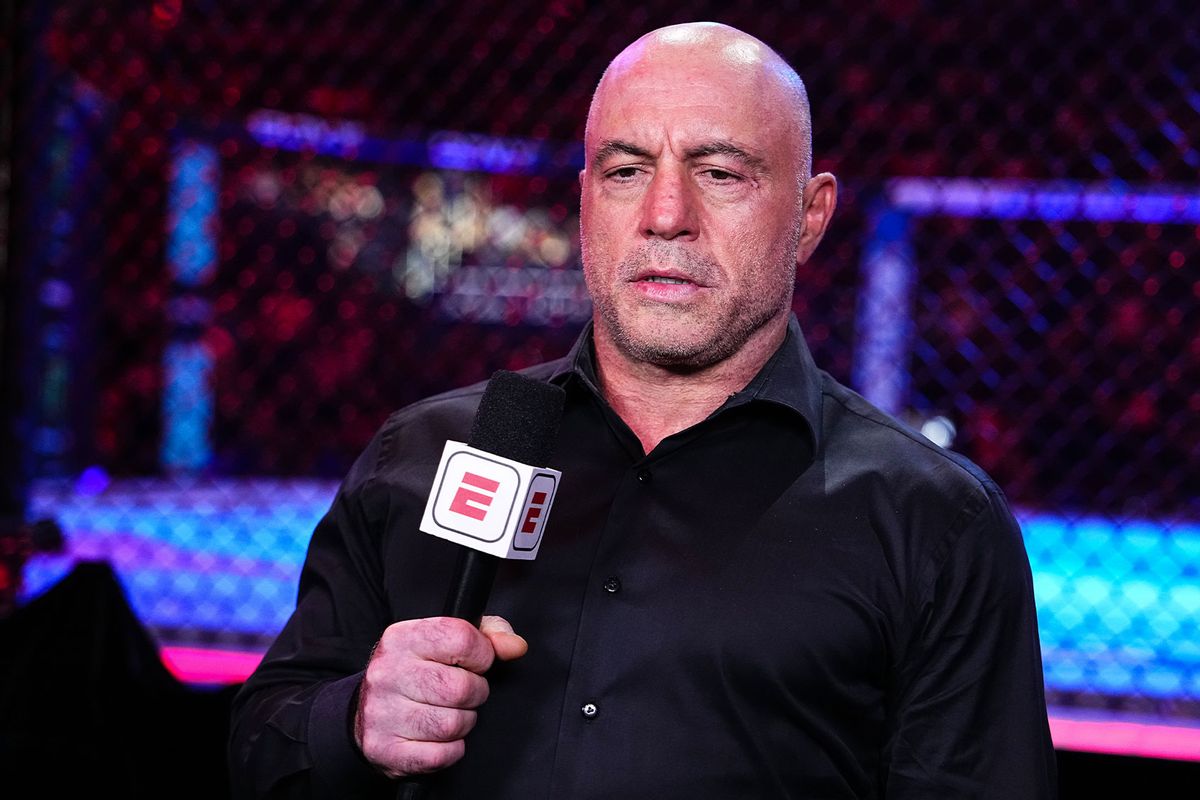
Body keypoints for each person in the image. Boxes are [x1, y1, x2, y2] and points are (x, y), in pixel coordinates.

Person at [228, 21, 1058, 799]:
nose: (666, 216)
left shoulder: (934, 523)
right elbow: (259, 749)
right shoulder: (419, 452)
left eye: (721, 173)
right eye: (627, 171)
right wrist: (355, 721)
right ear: (587, 200)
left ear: (810, 216)